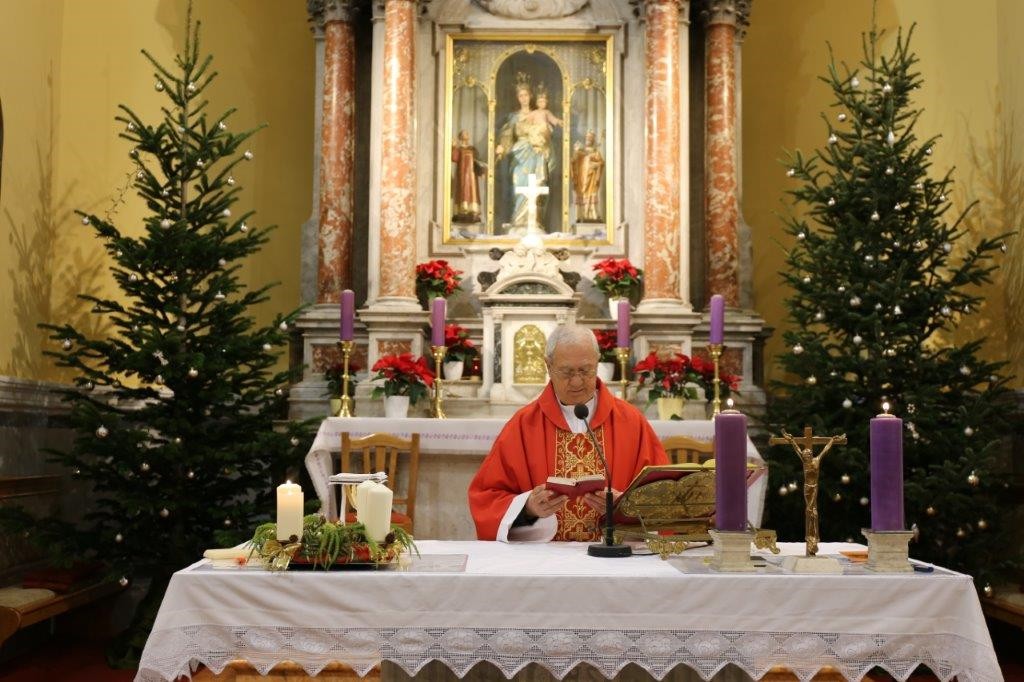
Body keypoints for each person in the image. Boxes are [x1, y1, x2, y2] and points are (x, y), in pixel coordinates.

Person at [468, 325, 668, 542]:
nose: (577, 381)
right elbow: (487, 499)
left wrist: (624, 508)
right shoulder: (524, 425)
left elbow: (665, 496)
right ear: (548, 366)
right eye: (566, 372)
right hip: (546, 558)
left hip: (615, 554)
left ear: (597, 363)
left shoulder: (631, 422)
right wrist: (528, 508)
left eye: (585, 370)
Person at [495, 76, 562, 231]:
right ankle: (518, 222)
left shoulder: (538, 113)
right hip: (518, 155)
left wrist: (544, 143)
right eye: (521, 96)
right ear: (517, 98)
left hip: (535, 154)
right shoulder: (513, 116)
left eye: (526, 95)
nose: (524, 98)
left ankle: (534, 221)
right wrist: (502, 147)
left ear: (531, 96)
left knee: (536, 186)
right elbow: (507, 136)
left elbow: (546, 134)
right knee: (518, 186)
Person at [451, 129, 485, 223]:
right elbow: (454, 158)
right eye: (464, 134)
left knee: (472, 192)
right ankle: (462, 210)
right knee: (463, 191)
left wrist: (481, 171)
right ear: (460, 137)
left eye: (467, 134)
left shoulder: (472, 149)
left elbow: (477, 161)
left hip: (472, 175)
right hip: (462, 174)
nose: (466, 135)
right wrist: (453, 147)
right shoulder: (459, 149)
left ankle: (472, 211)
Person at [571, 129, 604, 222]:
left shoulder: (596, 153)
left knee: (591, 194)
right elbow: (573, 161)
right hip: (581, 177)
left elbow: (601, 163)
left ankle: (592, 216)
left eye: (590, 138)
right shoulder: (580, 152)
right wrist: (575, 155)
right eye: (587, 138)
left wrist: (595, 164)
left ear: (593, 140)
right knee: (581, 193)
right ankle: (580, 215)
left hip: (591, 177)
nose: (588, 139)